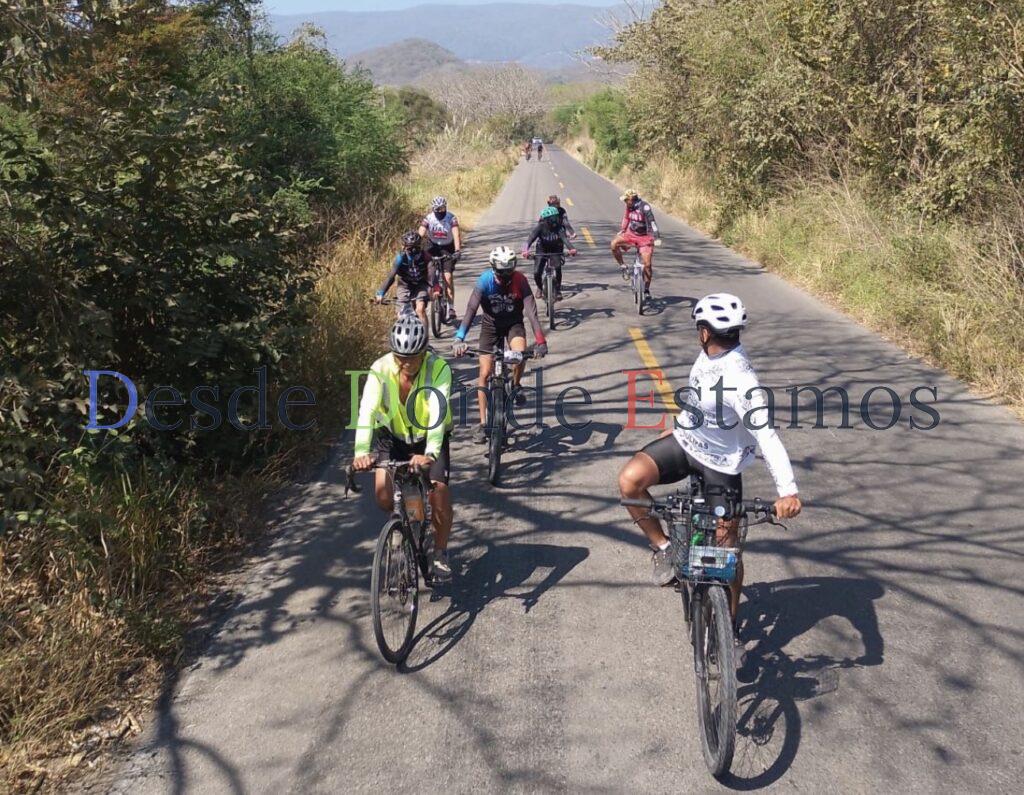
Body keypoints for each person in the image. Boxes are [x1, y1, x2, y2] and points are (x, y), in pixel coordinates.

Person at [617, 293, 802, 629]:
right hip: (687, 444)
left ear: (704, 332)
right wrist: (677, 428)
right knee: (631, 481)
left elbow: (767, 436)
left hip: (721, 466)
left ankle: (728, 625)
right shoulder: (710, 357)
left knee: (726, 552)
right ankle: (665, 547)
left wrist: (787, 490)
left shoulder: (742, 382)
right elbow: (699, 400)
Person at [351, 315, 456, 580]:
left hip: (429, 438)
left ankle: (441, 552)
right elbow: (367, 410)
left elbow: (437, 413)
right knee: (383, 495)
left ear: (424, 353)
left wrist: (430, 454)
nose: (405, 363)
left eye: (412, 357)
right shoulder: (381, 368)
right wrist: (361, 451)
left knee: (439, 492)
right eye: (400, 357)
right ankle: (406, 519)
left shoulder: (439, 368)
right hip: (392, 436)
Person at [451, 246, 548, 443]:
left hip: (514, 324)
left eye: (508, 272)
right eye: (501, 273)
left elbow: (531, 311)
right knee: (485, 373)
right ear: (493, 269)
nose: (505, 277)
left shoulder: (520, 280)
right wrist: (459, 338)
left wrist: (541, 341)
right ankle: (483, 422)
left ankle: (516, 384)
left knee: (519, 354)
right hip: (490, 327)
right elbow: (471, 309)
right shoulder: (485, 280)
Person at [375, 230, 434, 334]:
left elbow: (431, 275)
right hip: (405, 284)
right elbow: (391, 276)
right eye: (407, 246)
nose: (409, 249)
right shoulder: (400, 257)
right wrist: (381, 293)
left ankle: (425, 339)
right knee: (401, 315)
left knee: (420, 309)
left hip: (421, 284)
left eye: (412, 247)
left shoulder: (426, 256)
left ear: (418, 247)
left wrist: (433, 288)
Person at [418, 196, 462, 323]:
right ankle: (426, 297)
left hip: (448, 247)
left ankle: (451, 307)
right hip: (432, 246)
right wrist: (415, 244)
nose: (440, 211)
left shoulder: (451, 218)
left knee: (447, 277)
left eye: (442, 208)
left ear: (445, 207)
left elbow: (456, 234)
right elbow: (421, 231)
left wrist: (457, 250)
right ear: (433, 209)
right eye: (437, 209)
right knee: (427, 272)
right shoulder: (429, 218)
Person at [610, 189, 661, 299]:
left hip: (645, 237)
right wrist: (623, 230)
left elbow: (652, 222)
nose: (625, 202)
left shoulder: (644, 207)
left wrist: (656, 237)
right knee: (614, 244)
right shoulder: (629, 206)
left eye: (626, 200)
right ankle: (623, 266)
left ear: (631, 199)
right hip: (631, 234)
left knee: (647, 264)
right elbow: (626, 218)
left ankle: (646, 289)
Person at [522, 206, 577, 301]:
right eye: (552, 218)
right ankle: (540, 288)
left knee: (558, 269)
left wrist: (572, 249)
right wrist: (525, 250)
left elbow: (565, 239)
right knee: (536, 273)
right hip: (541, 250)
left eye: (556, 216)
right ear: (546, 219)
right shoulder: (540, 227)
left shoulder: (559, 228)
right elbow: (530, 239)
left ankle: (558, 290)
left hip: (555, 249)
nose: (555, 219)